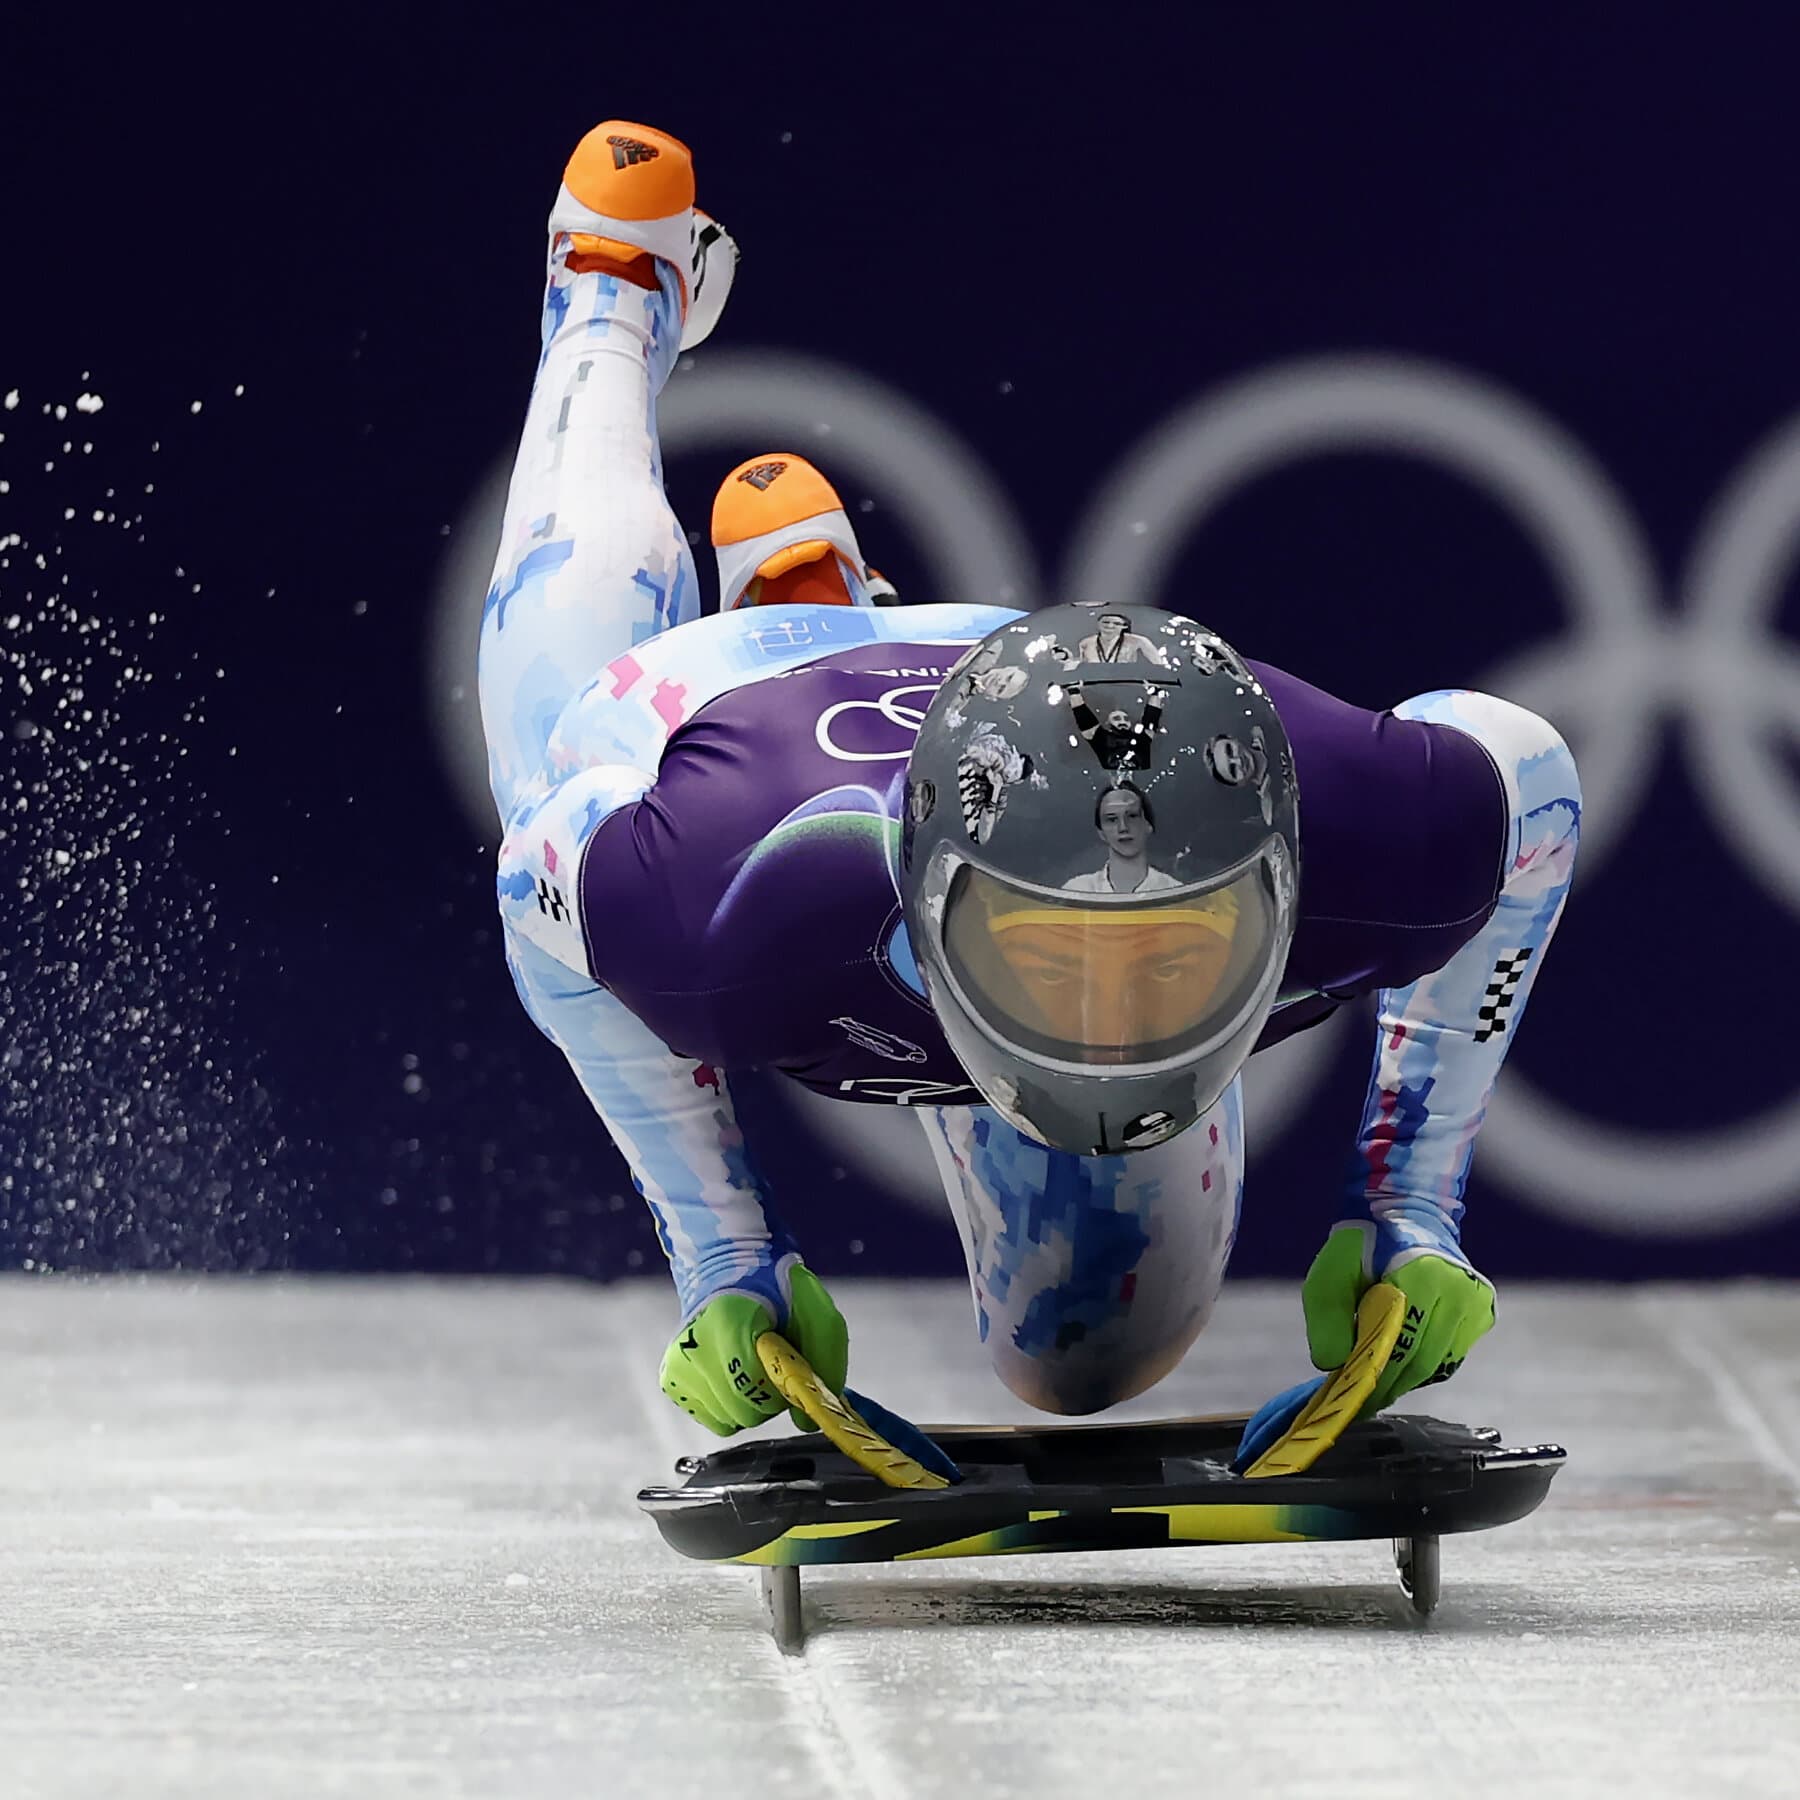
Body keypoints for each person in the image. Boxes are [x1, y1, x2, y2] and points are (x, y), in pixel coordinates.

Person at [481, 120, 1581, 1436]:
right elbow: (542, 872)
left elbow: (1530, 782)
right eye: (1052, 954)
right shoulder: (728, 893)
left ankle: (818, 590)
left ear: (1282, 880)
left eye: (1174, 953)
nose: (1107, 1033)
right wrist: (717, 1247)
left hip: (1003, 718)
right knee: (548, 737)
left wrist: (1416, 1211)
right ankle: (614, 294)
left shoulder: (1373, 824)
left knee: (1089, 1355)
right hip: (728, 707)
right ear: (924, 891)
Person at [1062, 783, 1182, 893]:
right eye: (1112, 819)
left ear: (1148, 825)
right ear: (1101, 832)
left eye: (1132, 816)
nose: (1123, 827)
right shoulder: (1076, 891)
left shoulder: (1174, 891)